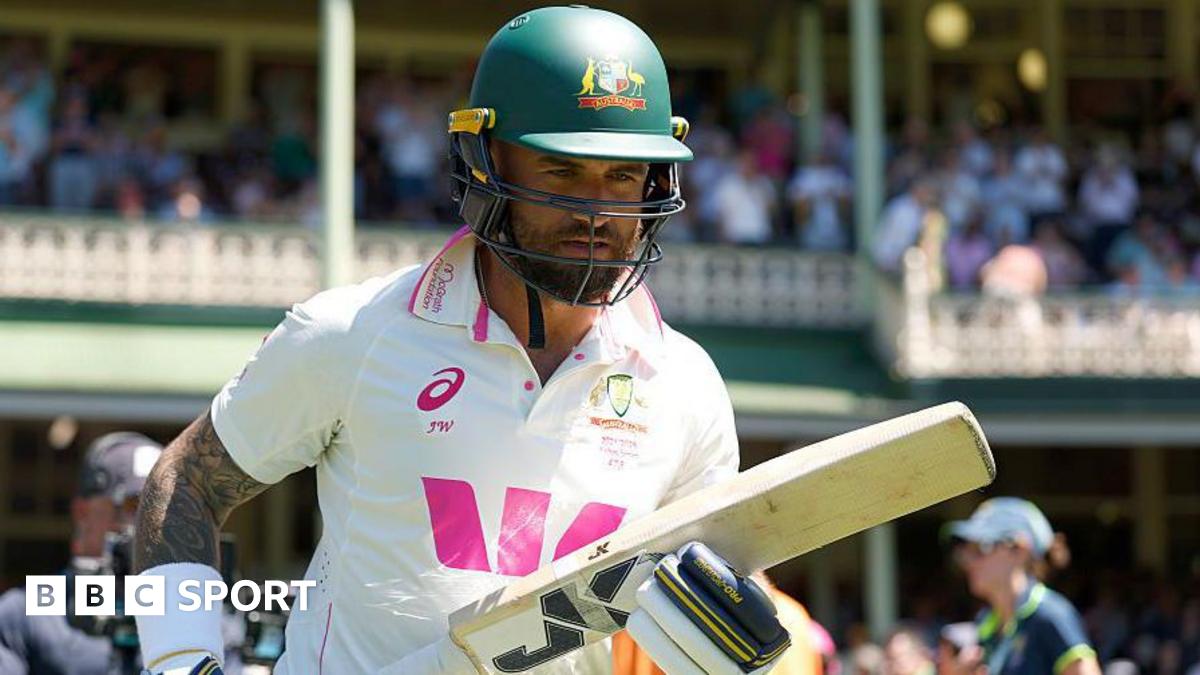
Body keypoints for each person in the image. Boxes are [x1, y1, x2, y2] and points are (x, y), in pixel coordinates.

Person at [132, 6, 789, 675]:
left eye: (621, 176)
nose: (597, 210)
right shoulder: (355, 335)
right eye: (562, 171)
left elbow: (699, 598)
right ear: (483, 162)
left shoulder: (686, 388)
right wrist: (181, 660)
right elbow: (186, 480)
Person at [0, 432, 164, 674]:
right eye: (133, 505)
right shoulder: (23, 614)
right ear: (82, 514)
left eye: (164, 508)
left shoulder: (202, 620)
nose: (150, 523)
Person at [943, 498, 1101, 675]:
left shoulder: (1050, 615)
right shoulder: (985, 624)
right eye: (966, 551)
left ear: (1019, 549)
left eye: (981, 547)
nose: (969, 562)